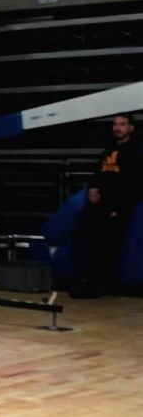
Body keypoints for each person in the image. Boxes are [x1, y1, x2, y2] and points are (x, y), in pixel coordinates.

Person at [71, 113, 141, 296]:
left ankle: (100, 285)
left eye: (122, 124)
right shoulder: (109, 149)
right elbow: (99, 173)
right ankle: (86, 280)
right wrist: (92, 188)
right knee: (86, 238)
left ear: (131, 128)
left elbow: (132, 184)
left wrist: (117, 208)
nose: (117, 128)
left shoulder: (134, 151)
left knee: (107, 245)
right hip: (99, 204)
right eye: (115, 124)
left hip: (117, 206)